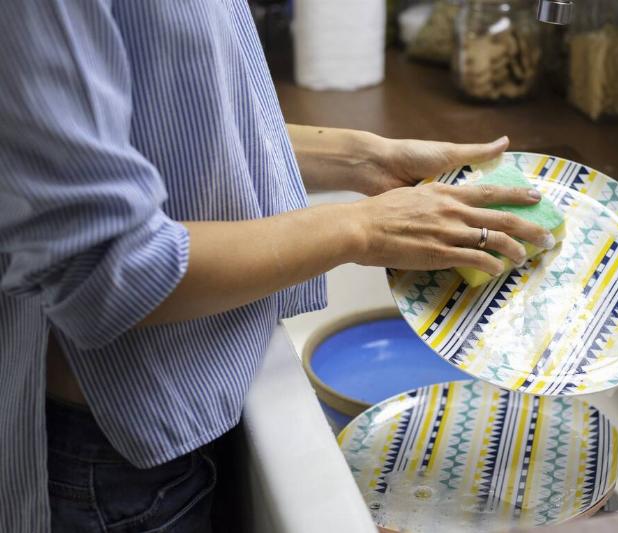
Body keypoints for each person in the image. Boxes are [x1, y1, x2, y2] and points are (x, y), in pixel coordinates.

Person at [0, 2, 554, 532]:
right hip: (114, 453)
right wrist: (364, 228)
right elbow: (109, 270)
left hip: (191, 399)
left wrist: (363, 158)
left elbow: (164, 120)